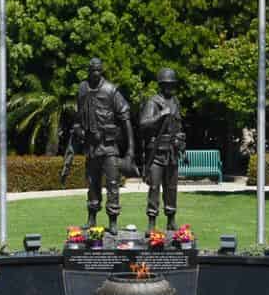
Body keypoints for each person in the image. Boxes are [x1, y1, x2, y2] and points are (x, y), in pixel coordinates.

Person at [71, 57, 131, 228]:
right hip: (91, 147)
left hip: (109, 146)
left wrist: (130, 150)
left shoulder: (111, 90)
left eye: (98, 70)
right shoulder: (82, 89)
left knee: (113, 183)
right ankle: (91, 218)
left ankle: (113, 221)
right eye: (92, 70)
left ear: (102, 71)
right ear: (88, 71)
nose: (96, 73)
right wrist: (78, 130)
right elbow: (77, 118)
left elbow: (125, 118)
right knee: (92, 184)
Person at [138, 67, 186, 231]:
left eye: (173, 85)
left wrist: (180, 138)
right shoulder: (154, 102)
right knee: (154, 187)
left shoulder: (175, 102)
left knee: (171, 188)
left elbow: (178, 125)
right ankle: (152, 222)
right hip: (157, 153)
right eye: (168, 85)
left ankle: (171, 218)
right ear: (162, 85)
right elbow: (144, 124)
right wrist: (160, 115)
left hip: (172, 152)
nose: (171, 88)